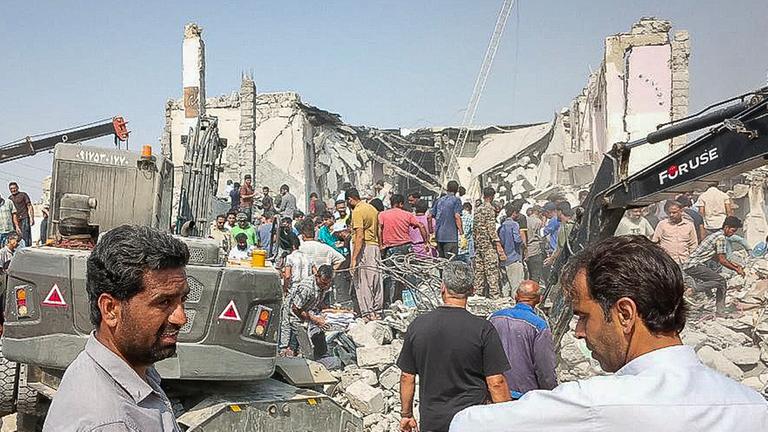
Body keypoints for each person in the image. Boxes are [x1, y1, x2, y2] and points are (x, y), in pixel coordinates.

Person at [450, 235, 768, 432]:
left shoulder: (596, 405)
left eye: (583, 317)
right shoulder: (754, 407)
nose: (578, 332)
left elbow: (467, 425)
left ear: (625, 314)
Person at [44, 225, 188, 431]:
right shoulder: (111, 422)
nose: (181, 318)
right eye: (164, 302)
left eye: (183, 299)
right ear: (110, 309)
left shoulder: (135, 369)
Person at [398, 262, 511, 432]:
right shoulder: (483, 329)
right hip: (472, 421)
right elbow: (496, 382)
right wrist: (506, 419)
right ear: (472, 290)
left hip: (433, 421)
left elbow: (407, 377)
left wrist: (406, 414)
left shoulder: (418, 326)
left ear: (442, 287)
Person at [489, 280, 557, 399]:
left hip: (495, 392)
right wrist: (551, 394)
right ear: (539, 299)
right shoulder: (539, 326)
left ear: (516, 296)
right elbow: (545, 368)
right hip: (525, 396)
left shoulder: (494, 317)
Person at [683, 216, 745, 316]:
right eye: (732, 230)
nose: (733, 233)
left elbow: (717, 257)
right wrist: (736, 269)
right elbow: (722, 261)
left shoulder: (716, 235)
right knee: (720, 280)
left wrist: (734, 265)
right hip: (693, 265)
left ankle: (720, 311)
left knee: (722, 283)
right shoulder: (721, 238)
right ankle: (692, 290)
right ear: (726, 227)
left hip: (692, 264)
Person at [378, 194, 428, 305]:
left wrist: (381, 245)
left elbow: (379, 229)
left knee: (390, 277)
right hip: (406, 248)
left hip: (390, 249)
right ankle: (405, 301)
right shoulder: (408, 214)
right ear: (401, 204)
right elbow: (421, 226)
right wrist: (426, 242)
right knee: (407, 276)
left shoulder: (382, 215)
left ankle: (388, 303)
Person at [279, 265, 334, 359]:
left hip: (304, 313)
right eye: (323, 283)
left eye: (327, 284)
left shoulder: (323, 286)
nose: (325, 286)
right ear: (317, 276)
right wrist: (315, 320)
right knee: (300, 348)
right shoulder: (306, 288)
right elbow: (295, 309)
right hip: (293, 315)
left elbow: (316, 301)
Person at [347, 188, 382, 321]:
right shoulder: (372, 209)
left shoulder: (357, 211)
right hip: (374, 247)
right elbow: (379, 230)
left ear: (350, 199)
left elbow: (359, 236)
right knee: (376, 280)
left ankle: (368, 314)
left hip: (364, 248)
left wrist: (354, 259)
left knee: (363, 282)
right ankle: (377, 312)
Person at [473, 187, 506, 298]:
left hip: (479, 245)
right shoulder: (489, 209)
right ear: (492, 196)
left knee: (479, 271)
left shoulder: (478, 209)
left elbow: (475, 229)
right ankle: (494, 295)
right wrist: (498, 245)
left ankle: (478, 294)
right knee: (492, 271)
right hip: (488, 246)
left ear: (483, 195)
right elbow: (491, 229)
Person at [433, 181, 463, 258]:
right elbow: (457, 216)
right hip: (451, 237)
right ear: (457, 190)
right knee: (451, 263)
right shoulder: (456, 200)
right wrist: (461, 233)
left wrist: (431, 231)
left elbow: (430, 216)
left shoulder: (439, 200)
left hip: (439, 236)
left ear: (447, 189)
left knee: (441, 262)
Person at [498, 205, 524, 297]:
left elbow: (501, 241)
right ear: (514, 213)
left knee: (505, 285)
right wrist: (523, 240)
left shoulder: (503, 225)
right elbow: (517, 240)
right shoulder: (514, 225)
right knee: (516, 286)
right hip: (514, 258)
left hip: (504, 259)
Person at [543, 202, 576, 268]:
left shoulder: (565, 225)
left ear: (560, 212)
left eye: (557, 211)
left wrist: (552, 259)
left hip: (564, 259)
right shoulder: (573, 223)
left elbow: (561, 247)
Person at [9, 182, 33, 247]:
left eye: (14, 188)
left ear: (17, 188)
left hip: (24, 218)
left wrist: (31, 218)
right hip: (16, 221)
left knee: (26, 237)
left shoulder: (23, 195)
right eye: (11, 188)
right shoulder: (10, 198)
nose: (13, 190)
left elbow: (29, 206)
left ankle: (27, 251)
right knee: (17, 238)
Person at [524, 206, 545, 283]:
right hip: (535, 250)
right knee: (536, 276)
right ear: (538, 212)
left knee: (528, 275)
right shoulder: (538, 222)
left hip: (527, 251)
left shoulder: (525, 220)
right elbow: (542, 235)